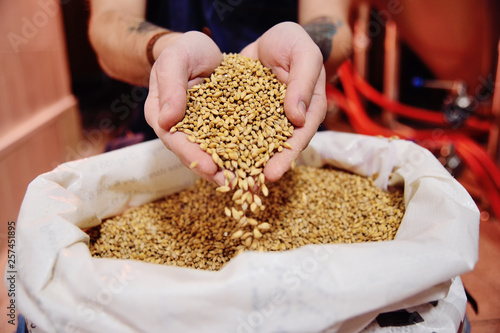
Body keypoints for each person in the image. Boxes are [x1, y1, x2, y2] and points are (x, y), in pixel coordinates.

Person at [87, 0, 354, 186]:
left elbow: (332, 22)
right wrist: (168, 48)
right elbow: (108, 22)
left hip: (291, 118)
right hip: (168, 121)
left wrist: (304, 49)